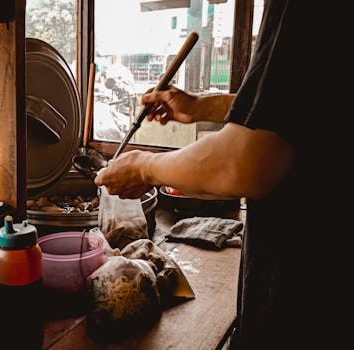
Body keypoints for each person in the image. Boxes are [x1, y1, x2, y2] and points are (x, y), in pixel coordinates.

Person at [95, 1, 348, 349]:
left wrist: (145, 167)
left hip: (308, 300)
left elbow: (244, 162)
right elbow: (294, 106)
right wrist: (199, 106)